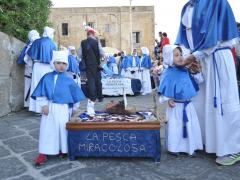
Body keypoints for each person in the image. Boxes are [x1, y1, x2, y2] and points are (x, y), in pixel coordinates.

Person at [175, 0, 240, 165]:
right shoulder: (188, 6)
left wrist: (193, 56)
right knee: (202, 102)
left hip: (216, 57)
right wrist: (189, 55)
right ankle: (209, 142)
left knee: (223, 103)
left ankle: (232, 148)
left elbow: (215, 37)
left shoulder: (216, 2)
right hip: (201, 59)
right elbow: (186, 36)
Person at [31, 50, 85, 166]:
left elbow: (75, 96)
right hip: (51, 108)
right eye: (59, 63)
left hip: (64, 109)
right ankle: (44, 152)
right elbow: (42, 92)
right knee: (48, 130)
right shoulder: (47, 78)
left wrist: (75, 109)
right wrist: (44, 105)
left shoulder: (69, 80)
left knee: (63, 129)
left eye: (64, 64)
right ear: (53, 63)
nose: (61, 66)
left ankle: (62, 149)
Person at [158, 45, 203, 156]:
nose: (180, 57)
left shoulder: (186, 70)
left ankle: (190, 147)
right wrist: (168, 99)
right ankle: (175, 148)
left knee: (189, 126)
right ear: (169, 57)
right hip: (175, 107)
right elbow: (163, 90)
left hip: (188, 105)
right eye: (176, 55)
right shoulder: (168, 73)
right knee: (175, 127)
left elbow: (199, 81)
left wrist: (196, 72)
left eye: (181, 55)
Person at [27, 26, 57, 113]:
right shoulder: (52, 43)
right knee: (47, 86)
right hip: (48, 68)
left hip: (37, 66)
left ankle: (36, 108)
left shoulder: (36, 41)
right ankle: (47, 107)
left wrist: (30, 65)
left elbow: (29, 56)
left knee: (36, 85)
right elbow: (55, 58)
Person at [78, 27, 105, 115]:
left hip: (88, 65)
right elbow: (102, 53)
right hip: (96, 65)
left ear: (87, 35)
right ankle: (100, 97)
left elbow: (80, 54)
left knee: (90, 81)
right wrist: (101, 64)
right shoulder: (96, 42)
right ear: (93, 35)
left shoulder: (83, 43)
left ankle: (92, 97)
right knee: (98, 81)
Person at [17, 30, 40, 107]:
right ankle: (30, 105)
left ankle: (32, 105)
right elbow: (26, 59)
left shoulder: (31, 46)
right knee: (30, 86)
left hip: (33, 68)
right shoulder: (30, 46)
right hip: (30, 69)